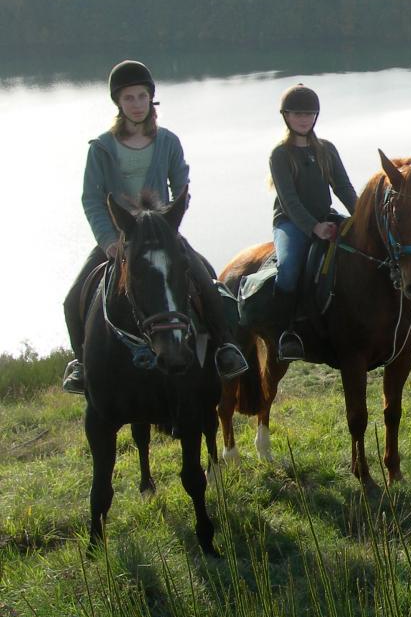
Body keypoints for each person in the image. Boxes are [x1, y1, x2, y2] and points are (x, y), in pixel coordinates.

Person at [61, 60, 249, 393]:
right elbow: (91, 199)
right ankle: (82, 364)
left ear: (151, 99)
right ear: (118, 103)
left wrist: (165, 224)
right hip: (118, 239)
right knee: (72, 298)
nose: (136, 104)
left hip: (162, 236)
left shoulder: (168, 141)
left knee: (207, 282)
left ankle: (224, 348)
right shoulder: (101, 148)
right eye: (129, 98)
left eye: (141, 97)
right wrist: (108, 241)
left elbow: (182, 187)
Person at [268, 84, 358, 361]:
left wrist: (362, 216)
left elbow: (344, 188)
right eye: (297, 113)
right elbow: (290, 201)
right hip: (291, 223)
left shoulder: (327, 150)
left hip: (325, 217)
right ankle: (286, 332)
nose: (303, 119)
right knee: (289, 268)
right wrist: (313, 228)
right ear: (286, 116)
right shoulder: (280, 155)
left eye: (308, 113)